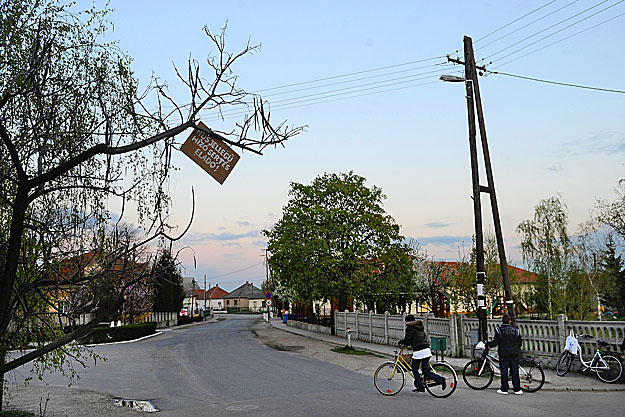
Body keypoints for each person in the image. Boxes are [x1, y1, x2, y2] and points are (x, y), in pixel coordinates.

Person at [398, 315, 445, 393]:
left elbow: (408, 341)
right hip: (426, 350)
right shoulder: (420, 327)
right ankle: (434, 380)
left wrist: (401, 342)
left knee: (414, 369)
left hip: (419, 351)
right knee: (425, 370)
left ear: (408, 321)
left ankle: (421, 385)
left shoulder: (410, 328)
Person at [486, 313, 523, 395]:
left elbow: (496, 342)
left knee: (504, 371)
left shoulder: (499, 330)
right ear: (510, 321)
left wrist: (487, 344)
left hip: (503, 353)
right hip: (514, 353)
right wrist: (516, 348)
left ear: (502, 321)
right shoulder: (516, 330)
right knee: (515, 371)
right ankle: (517, 389)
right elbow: (519, 342)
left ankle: (504, 389)